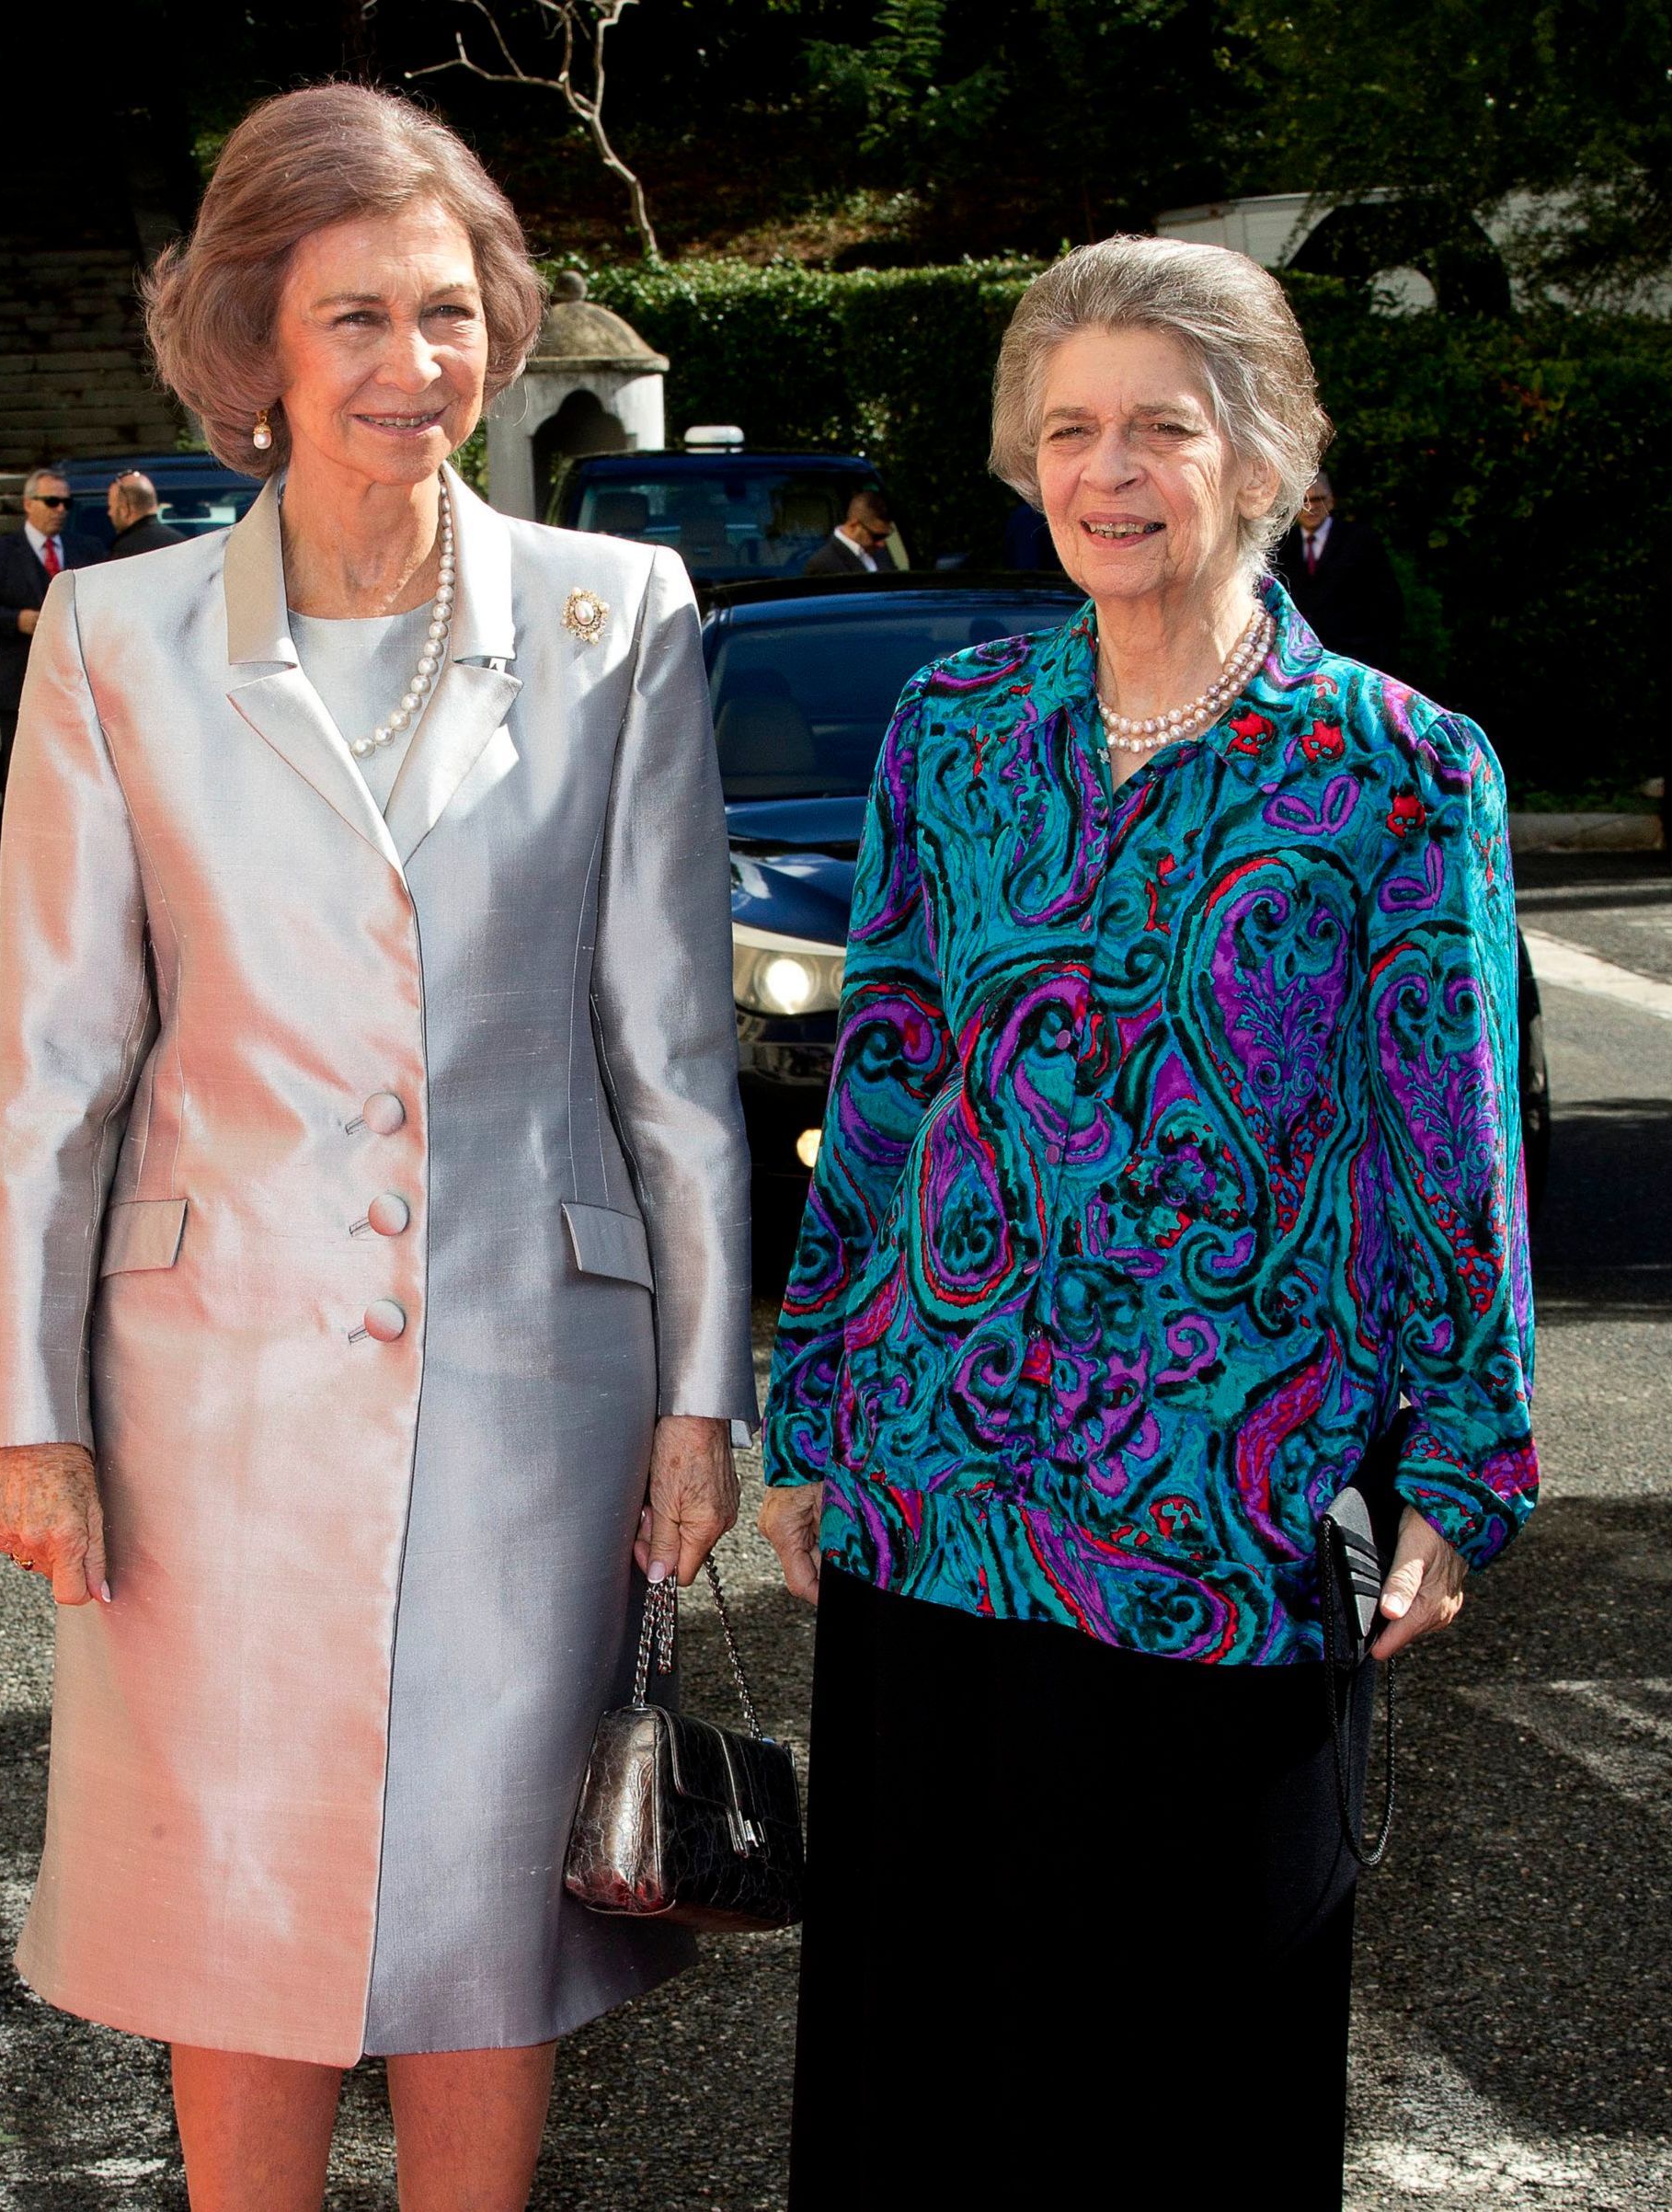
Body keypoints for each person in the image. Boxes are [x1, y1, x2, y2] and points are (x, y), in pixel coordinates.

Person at [0, 82, 753, 2212]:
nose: (415, 364)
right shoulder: (115, 636)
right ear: (256, 344)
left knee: (491, 1899)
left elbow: (669, 1053)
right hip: (202, 1395)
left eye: (449, 312)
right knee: (235, 1895)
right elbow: (61, 1067)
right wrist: (30, 1413)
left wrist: (698, 1396)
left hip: (538, 1383)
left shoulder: (617, 613)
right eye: (355, 318)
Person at [761, 235, 1537, 2211]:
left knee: (1189, 2067)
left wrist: (1463, 1461)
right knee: (930, 2054)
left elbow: (1446, 1142)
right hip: (935, 1488)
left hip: (1225, 1511)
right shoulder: (951, 730)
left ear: (1263, 457)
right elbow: (884, 1079)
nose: (1105, 472)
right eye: (1067, 429)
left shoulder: (1391, 769)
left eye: (1160, 429)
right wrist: (812, 1405)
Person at [0, 466, 104, 783]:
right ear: (28, 504)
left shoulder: (88, 549)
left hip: (77, 682)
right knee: (21, 774)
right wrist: (14, 619)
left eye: (66, 503)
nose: (60, 510)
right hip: (19, 680)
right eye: (51, 502)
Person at [1275, 467, 1405, 670]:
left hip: (1355, 660)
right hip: (1298, 662)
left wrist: (1380, 658)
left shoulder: (1361, 541)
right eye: (1304, 500)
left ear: (1331, 501)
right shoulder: (1281, 547)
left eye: (1318, 499)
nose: (1311, 507)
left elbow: (1388, 604)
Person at [801, 487, 898, 577]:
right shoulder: (822, 564)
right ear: (853, 525)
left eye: (885, 535)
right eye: (876, 536)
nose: (881, 544)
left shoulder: (881, 553)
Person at [105, 469, 183, 558]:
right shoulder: (181, 544)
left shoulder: (125, 552)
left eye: (111, 507)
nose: (109, 513)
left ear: (125, 509)